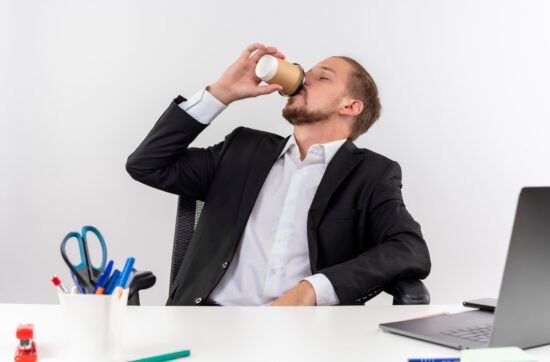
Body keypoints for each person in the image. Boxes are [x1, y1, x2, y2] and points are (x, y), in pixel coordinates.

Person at [126, 43, 431, 306]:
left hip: (303, 332)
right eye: (303, 74)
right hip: (207, 319)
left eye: (322, 77)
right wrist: (220, 94)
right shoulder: (243, 149)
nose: (302, 81)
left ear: (350, 106)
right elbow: (147, 165)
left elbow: (409, 250)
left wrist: (312, 290)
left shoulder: (371, 173)